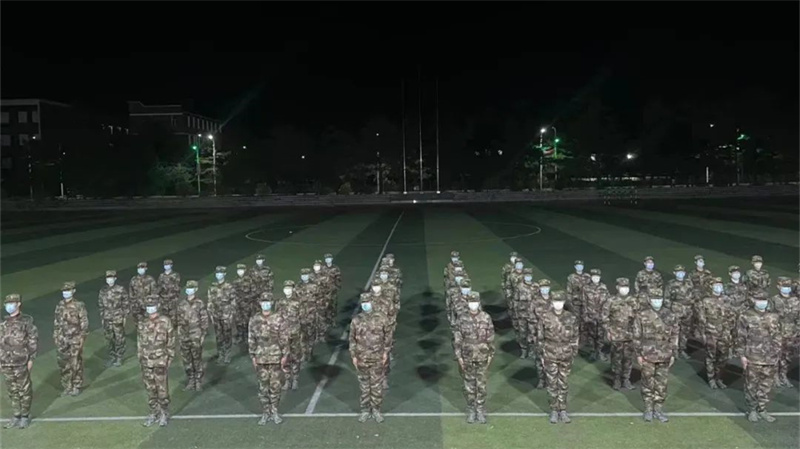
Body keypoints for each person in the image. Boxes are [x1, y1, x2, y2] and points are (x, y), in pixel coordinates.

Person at [633, 287, 678, 423]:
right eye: (654, 299)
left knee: (661, 384)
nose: (657, 301)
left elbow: (675, 335)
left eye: (659, 299)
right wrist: (638, 354)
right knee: (647, 382)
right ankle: (648, 409)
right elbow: (637, 335)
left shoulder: (670, 315)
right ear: (649, 300)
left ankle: (658, 410)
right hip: (647, 355)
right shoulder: (642, 315)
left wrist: (673, 353)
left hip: (665, 355)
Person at [736, 290, 782, 422]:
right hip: (753, 357)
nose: (762, 302)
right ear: (754, 301)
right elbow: (740, 336)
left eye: (764, 300)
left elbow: (778, 336)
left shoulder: (774, 316)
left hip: (770, 358)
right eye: (759, 300)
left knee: (766, 385)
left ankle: (762, 409)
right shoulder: (745, 316)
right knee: (751, 385)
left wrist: (777, 353)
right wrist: (742, 355)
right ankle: (752, 410)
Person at [537, 290, 579, 424]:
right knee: (552, 384)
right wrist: (542, 354)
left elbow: (575, 337)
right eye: (556, 301)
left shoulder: (570, 318)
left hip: (566, 353)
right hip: (550, 353)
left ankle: (563, 410)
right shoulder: (545, 317)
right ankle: (554, 410)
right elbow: (540, 338)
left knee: (563, 383)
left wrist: (573, 352)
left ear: (564, 302)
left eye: (560, 301)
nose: (558, 304)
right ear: (552, 302)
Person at [350, 294, 392, 423]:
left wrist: (385, 352)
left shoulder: (382, 318)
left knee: (376, 386)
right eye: (363, 302)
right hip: (362, 358)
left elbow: (388, 336)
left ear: (372, 302)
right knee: (364, 386)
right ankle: (365, 410)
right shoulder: (356, 320)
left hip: (377, 357)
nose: (365, 304)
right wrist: (353, 356)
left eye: (367, 301)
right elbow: (352, 339)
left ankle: (376, 410)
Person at [454, 292, 495, 424]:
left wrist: (490, 355)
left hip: (482, 356)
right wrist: (459, 357)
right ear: (468, 303)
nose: (473, 304)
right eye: (471, 302)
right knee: (469, 385)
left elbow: (490, 337)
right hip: (467, 356)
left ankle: (480, 409)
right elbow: (458, 339)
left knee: (481, 385)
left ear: (479, 302)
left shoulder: (486, 317)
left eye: (475, 301)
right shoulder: (462, 318)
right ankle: (471, 409)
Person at [248, 293, 289, 425]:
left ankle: (275, 412)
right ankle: (266, 413)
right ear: (260, 303)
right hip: (260, 358)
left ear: (271, 303)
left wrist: (285, 355)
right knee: (263, 388)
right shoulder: (254, 319)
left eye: (268, 302)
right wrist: (252, 355)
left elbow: (284, 338)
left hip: (275, 358)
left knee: (275, 387)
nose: (265, 304)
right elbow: (251, 339)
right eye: (263, 301)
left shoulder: (279, 319)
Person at [1, 294, 38, 429]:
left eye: (12, 303)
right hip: (6, 362)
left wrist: (31, 359)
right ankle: (16, 415)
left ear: (18, 304)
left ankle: (25, 416)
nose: (9, 306)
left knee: (24, 390)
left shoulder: (26, 322)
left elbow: (33, 341)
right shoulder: (3, 324)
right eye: (7, 303)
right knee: (12, 390)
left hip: (21, 361)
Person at [137, 295, 175, 427]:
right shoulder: (142, 323)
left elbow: (171, 340)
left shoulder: (165, 321)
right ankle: (154, 412)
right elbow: (139, 342)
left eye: (152, 305)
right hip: (146, 362)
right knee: (150, 389)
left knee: (162, 388)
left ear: (157, 306)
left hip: (160, 361)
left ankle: (164, 412)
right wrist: (140, 357)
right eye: (148, 306)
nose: (150, 308)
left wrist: (169, 357)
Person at [697, 277, 736, 389]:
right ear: (711, 287)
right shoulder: (705, 301)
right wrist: (703, 334)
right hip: (711, 332)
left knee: (724, 356)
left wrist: (730, 330)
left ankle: (718, 377)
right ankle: (711, 379)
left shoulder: (727, 300)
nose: (719, 287)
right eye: (716, 285)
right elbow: (701, 318)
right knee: (711, 356)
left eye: (720, 285)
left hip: (725, 332)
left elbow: (732, 316)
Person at [601, 278, 638, 391]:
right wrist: (608, 331)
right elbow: (604, 317)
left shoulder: (634, 301)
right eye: (622, 287)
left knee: (628, 359)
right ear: (617, 287)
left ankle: (626, 379)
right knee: (616, 358)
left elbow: (638, 318)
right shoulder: (611, 301)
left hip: (629, 336)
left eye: (626, 287)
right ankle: (616, 379)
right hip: (616, 335)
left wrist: (637, 333)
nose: (624, 289)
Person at [54, 281, 89, 397]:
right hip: (62, 339)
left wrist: (82, 337)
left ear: (73, 291)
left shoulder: (79, 305)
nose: (65, 293)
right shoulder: (60, 305)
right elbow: (57, 323)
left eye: (68, 290)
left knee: (75, 363)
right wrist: (56, 336)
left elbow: (84, 322)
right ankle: (67, 386)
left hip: (75, 338)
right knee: (63, 363)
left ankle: (76, 385)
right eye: (64, 291)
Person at [177, 280, 209, 391]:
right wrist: (180, 334)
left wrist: (203, 334)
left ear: (195, 289)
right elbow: (178, 320)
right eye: (187, 288)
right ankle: (191, 379)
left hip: (196, 335)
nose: (189, 290)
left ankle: (198, 380)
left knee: (197, 358)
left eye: (191, 288)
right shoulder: (182, 304)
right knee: (186, 359)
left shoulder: (199, 303)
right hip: (184, 336)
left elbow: (204, 319)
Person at [772, 277, 799, 388]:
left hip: (791, 333)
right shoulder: (774, 300)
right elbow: (770, 317)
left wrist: (797, 331)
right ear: (778, 287)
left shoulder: (796, 301)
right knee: (776, 355)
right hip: (778, 332)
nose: (786, 288)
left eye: (788, 286)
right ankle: (775, 377)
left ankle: (783, 375)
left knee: (787, 356)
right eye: (784, 286)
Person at [99, 270, 129, 367]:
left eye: (111, 278)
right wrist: (102, 316)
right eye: (108, 278)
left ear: (115, 278)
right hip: (107, 318)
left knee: (119, 338)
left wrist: (124, 316)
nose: (109, 280)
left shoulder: (120, 289)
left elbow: (125, 303)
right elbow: (100, 305)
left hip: (117, 317)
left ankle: (119, 357)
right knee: (109, 338)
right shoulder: (103, 290)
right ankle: (112, 357)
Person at [277, 282, 303, 391]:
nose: (287, 290)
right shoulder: (280, 302)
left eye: (289, 288)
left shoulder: (298, 302)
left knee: (295, 357)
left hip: (295, 334)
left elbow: (302, 317)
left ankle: (295, 379)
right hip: (283, 335)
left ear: (292, 289)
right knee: (285, 357)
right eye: (285, 288)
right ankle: (287, 380)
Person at [208, 266, 236, 365]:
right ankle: (221, 354)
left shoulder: (229, 286)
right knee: (219, 336)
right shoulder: (212, 287)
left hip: (226, 315)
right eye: (217, 273)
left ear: (224, 274)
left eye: (220, 273)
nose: (218, 275)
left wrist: (231, 314)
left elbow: (233, 301)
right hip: (216, 315)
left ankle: (227, 354)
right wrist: (211, 314)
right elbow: (210, 301)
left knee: (227, 335)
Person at [665, 265, 694, 359]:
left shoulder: (689, 283)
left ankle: (682, 349)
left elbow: (693, 295)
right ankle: (674, 351)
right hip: (676, 311)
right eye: (678, 272)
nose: (680, 274)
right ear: (674, 273)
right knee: (674, 331)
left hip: (687, 311)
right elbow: (666, 298)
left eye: (682, 272)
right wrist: (671, 309)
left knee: (685, 331)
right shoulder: (671, 284)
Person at [582, 269, 609, 361]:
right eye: (594, 276)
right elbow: (584, 302)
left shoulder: (604, 287)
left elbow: (607, 302)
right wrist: (585, 316)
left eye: (597, 276)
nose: (595, 278)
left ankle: (600, 352)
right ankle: (593, 352)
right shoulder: (586, 288)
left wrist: (606, 315)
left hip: (601, 316)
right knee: (591, 335)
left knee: (601, 335)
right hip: (590, 316)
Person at [129, 262, 157, 326]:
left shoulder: (150, 279)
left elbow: (154, 293)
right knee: (138, 323)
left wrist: (151, 304)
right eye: (139, 268)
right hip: (136, 306)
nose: (140, 269)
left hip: (147, 306)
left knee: (149, 323)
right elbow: (131, 293)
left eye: (142, 268)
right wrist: (133, 304)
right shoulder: (133, 280)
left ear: (146, 268)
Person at [157, 259, 181, 326]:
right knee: (164, 315)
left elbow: (177, 287)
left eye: (168, 264)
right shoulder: (161, 276)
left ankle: (173, 327)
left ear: (171, 265)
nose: (166, 266)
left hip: (172, 299)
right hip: (163, 299)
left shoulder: (175, 275)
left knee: (173, 315)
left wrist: (176, 297)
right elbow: (159, 287)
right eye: (165, 265)